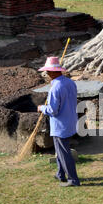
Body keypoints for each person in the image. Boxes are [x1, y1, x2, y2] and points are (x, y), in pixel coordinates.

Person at [37, 57, 80, 187]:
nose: (47, 74)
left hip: (60, 125)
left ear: (53, 72)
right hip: (70, 122)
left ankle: (73, 179)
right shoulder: (70, 83)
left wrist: (41, 108)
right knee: (60, 150)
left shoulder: (55, 88)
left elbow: (53, 110)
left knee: (64, 152)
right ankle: (60, 174)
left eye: (48, 71)